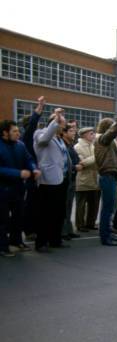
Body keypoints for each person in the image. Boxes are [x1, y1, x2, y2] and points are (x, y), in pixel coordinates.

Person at [33, 109, 72, 252]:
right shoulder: (40, 134)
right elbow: (44, 139)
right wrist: (56, 120)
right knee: (46, 213)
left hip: (61, 179)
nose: (64, 126)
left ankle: (55, 239)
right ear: (53, 123)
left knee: (58, 212)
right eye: (61, 123)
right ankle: (41, 242)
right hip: (48, 181)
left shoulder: (60, 138)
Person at [0, 120, 40, 256]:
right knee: (3, 219)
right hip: (2, 189)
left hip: (18, 188)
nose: (18, 133)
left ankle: (16, 241)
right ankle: (3, 247)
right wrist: (18, 173)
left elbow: (29, 159)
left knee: (18, 217)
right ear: (5, 133)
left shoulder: (20, 145)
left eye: (18, 131)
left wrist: (34, 169)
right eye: (15, 131)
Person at [95, 106, 117, 246]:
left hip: (111, 177)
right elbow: (113, 132)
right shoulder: (103, 140)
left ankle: (108, 233)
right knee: (107, 209)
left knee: (110, 209)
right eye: (113, 128)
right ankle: (105, 237)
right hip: (107, 176)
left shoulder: (105, 142)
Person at [20, 96, 45, 240]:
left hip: (36, 175)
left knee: (35, 204)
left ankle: (33, 228)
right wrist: (39, 108)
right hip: (29, 176)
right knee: (29, 205)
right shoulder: (27, 137)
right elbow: (32, 124)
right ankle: (29, 231)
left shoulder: (34, 138)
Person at [74, 127, 100, 232]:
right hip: (82, 180)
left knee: (94, 204)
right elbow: (81, 162)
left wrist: (94, 159)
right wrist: (96, 157)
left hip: (95, 179)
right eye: (91, 133)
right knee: (81, 205)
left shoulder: (94, 146)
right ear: (84, 135)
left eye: (93, 133)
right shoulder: (77, 147)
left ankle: (91, 223)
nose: (93, 135)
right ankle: (80, 225)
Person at [61, 124, 83, 240]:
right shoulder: (63, 145)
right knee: (64, 206)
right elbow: (65, 163)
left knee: (69, 206)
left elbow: (77, 159)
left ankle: (68, 229)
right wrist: (75, 167)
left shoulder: (71, 145)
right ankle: (63, 231)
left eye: (74, 131)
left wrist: (78, 164)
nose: (73, 133)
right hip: (66, 179)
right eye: (70, 131)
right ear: (64, 133)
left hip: (72, 178)